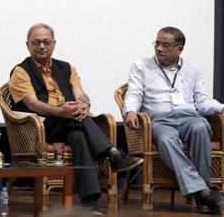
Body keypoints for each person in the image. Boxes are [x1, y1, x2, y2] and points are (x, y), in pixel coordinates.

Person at [8, 23, 142, 215]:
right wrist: (60, 110)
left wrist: (84, 106)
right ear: (28, 45)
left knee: (79, 135)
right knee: (74, 117)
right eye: (36, 42)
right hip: (41, 125)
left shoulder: (67, 68)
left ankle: (90, 203)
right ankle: (112, 153)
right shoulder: (21, 71)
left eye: (46, 42)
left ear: (54, 44)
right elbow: (33, 104)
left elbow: (80, 94)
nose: (42, 46)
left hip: (69, 121)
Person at [123, 26, 224, 214]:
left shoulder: (193, 69)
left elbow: (202, 102)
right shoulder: (142, 66)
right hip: (160, 120)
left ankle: (202, 194)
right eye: (157, 43)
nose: (159, 48)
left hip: (189, 117)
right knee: (165, 140)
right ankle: (204, 193)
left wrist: (221, 108)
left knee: (201, 127)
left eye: (166, 45)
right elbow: (134, 93)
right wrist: (130, 110)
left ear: (179, 49)